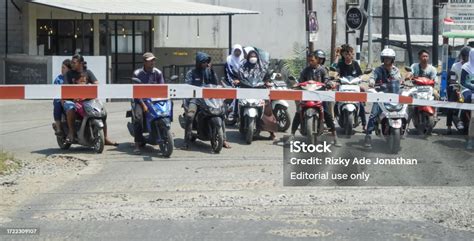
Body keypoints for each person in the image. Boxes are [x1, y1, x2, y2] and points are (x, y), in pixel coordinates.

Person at [63, 54, 117, 146]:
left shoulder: (88, 72)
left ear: (81, 63)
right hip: (73, 100)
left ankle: (105, 137)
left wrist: (91, 89)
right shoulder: (69, 74)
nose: (72, 64)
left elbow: (96, 84)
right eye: (72, 62)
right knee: (71, 109)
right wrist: (74, 97)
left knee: (102, 111)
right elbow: (66, 88)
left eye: (74, 62)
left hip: (88, 100)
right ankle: (71, 133)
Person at [288, 50, 339, 145]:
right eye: (309, 60)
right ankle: (292, 135)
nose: (310, 62)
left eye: (312, 60)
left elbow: (327, 80)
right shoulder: (305, 70)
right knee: (299, 111)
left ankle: (335, 136)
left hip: (320, 95)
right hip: (307, 96)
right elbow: (300, 81)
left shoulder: (323, 70)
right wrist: (296, 85)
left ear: (317, 60)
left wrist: (329, 84)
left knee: (327, 113)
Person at [182, 52, 231, 150]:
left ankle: (224, 139)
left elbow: (215, 84)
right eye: (203, 62)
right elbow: (187, 86)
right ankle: (186, 141)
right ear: (198, 62)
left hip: (209, 98)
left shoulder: (209, 72)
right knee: (190, 116)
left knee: (221, 113)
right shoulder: (191, 73)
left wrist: (212, 70)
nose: (205, 63)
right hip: (195, 99)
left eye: (207, 62)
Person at [234, 49, 276, 140]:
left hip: (259, 90)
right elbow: (238, 75)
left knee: (267, 109)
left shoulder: (262, 66)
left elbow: (266, 77)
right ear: (248, 57)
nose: (253, 58)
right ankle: (235, 116)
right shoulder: (243, 66)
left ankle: (271, 131)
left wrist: (267, 82)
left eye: (254, 56)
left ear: (257, 57)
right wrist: (237, 80)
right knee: (237, 101)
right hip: (246, 90)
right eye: (251, 56)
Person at [364, 48, 402, 148]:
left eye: (389, 58)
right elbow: (373, 77)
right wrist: (372, 82)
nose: (387, 60)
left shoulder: (396, 70)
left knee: (402, 111)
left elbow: (398, 79)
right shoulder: (378, 69)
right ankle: (368, 136)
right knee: (373, 114)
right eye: (385, 58)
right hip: (380, 95)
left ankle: (403, 129)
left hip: (393, 95)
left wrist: (400, 82)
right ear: (382, 59)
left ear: (392, 59)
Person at [132, 52, 165, 155]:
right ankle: (137, 144)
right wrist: (143, 105)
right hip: (140, 100)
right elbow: (136, 92)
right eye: (150, 60)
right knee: (138, 118)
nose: (152, 62)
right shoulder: (137, 73)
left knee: (165, 112)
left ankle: (165, 132)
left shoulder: (158, 73)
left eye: (153, 60)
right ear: (144, 62)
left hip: (155, 100)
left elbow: (162, 89)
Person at [336, 44, 367, 130]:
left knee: (361, 102)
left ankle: (364, 124)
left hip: (354, 86)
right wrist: (336, 77)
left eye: (351, 54)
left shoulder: (355, 64)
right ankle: (332, 121)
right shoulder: (341, 64)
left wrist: (361, 79)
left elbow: (360, 75)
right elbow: (335, 71)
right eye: (347, 54)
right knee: (336, 101)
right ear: (343, 55)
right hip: (343, 86)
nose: (349, 56)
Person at [447, 46, 471, 134]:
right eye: (468, 56)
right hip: (458, 88)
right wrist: (455, 84)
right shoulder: (455, 66)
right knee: (450, 105)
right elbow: (452, 78)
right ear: (463, 56)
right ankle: (449, 126)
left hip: (471, 89)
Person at [225, 44, 244, 121]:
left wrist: (242, 79)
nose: (237, 52)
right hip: (231, 79)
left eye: (239, 51)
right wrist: (235, 79)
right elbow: (229, 71)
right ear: (233, 51)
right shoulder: (229, 59)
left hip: (242, 80)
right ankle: (232, 111)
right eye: (236, 51)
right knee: (237, 91)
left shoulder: (243, 60)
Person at [52, 59, 71, 136]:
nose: (62, 69)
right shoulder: (58, 79)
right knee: (57, 104)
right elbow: (55, 92)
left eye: (64, 68)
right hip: (61, 100)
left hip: (72, 99)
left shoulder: (72, 77)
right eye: (61, 67)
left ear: (69, 69)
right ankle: (59, 128)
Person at [460, 49, 474, 150]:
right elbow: (463, 82)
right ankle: (470, 140)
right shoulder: (466, 67)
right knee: (473, 119)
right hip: (468, 89)